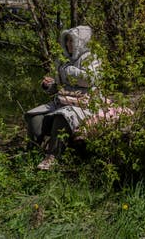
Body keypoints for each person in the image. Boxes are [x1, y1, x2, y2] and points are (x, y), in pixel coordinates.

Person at [25, 25, 101, 170]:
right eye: (67, 41)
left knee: (62, 116)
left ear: (81, 42)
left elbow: (90, 79)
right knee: (35, 117)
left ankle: (53, 157)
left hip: (84, 103)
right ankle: (31, 153)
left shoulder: (91, 58)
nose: (68, 44)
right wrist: (49, 85)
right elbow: (58, 86)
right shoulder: (62, 60)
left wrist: (68, 70)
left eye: (71, 41)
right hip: (61, 101)